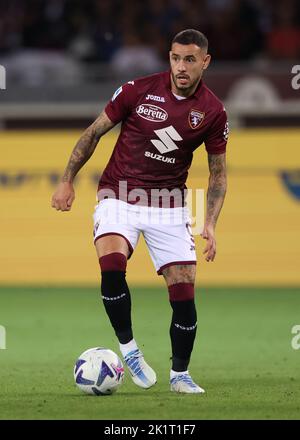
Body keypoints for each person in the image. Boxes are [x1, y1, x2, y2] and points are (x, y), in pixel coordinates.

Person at [51, 29, 228, 394]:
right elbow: (93, 132)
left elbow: (218, 173)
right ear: (169, 58)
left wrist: (210, 223)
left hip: (169, 205)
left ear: (205, 62)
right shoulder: (136, 89)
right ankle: (129, 350)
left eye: (190, 59)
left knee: (183, 296)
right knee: (112, 267)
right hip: (120, 194)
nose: (181, 66)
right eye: (176, 58)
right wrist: (67, 179)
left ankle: (180, 376)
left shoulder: (212, 111)